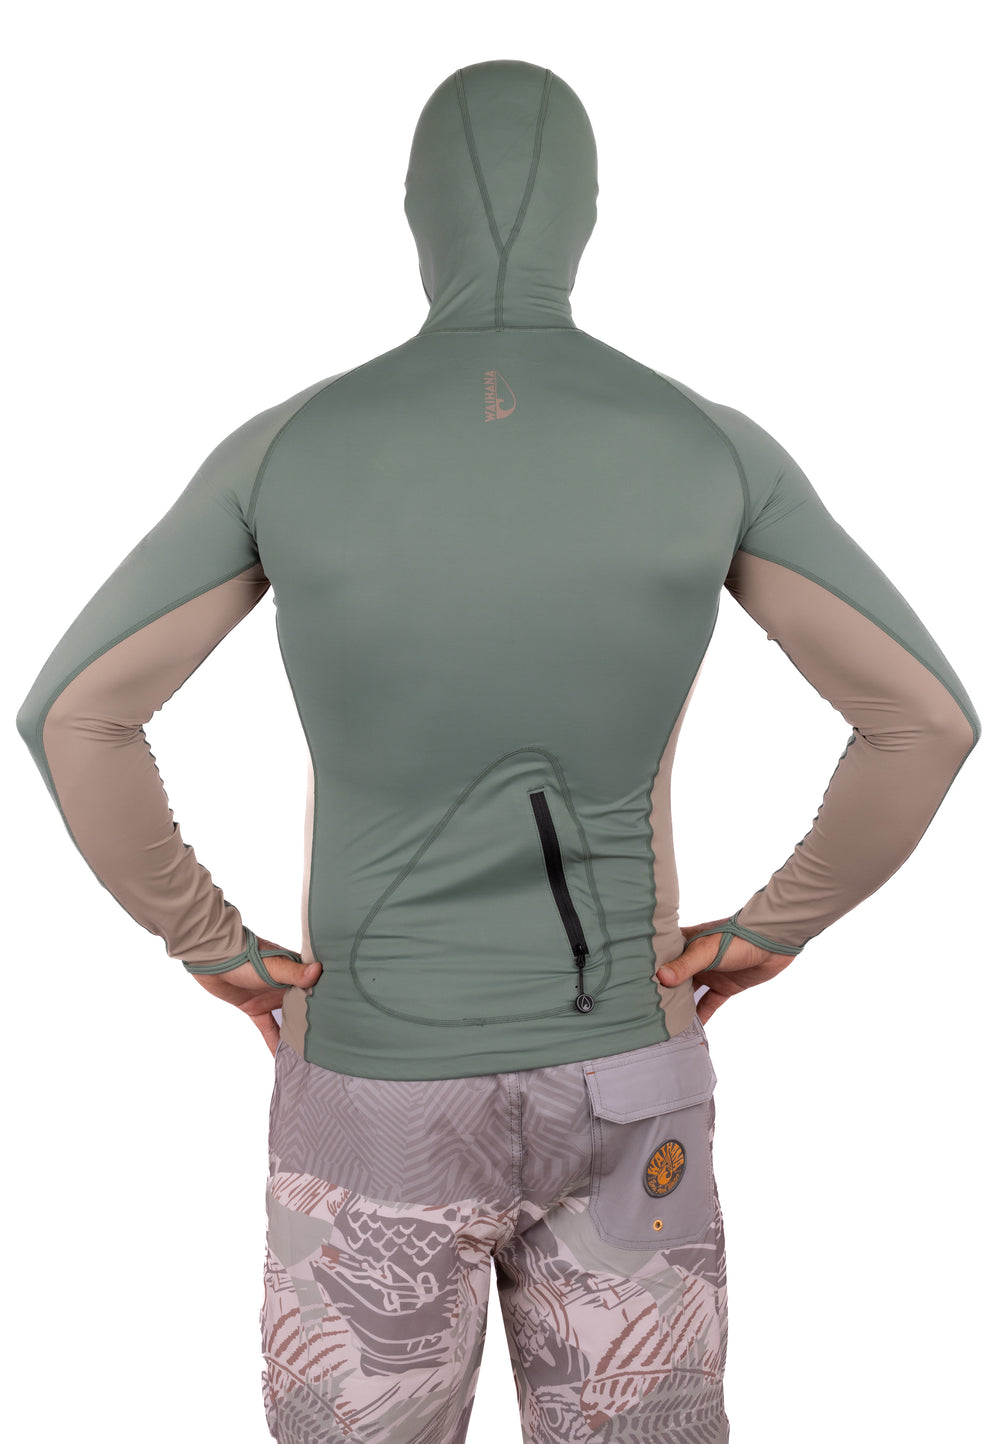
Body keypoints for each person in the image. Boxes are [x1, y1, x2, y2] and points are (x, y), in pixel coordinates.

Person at [15, 57, 980, 1444]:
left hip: (373, 1087)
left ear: (415, 216)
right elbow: (924, 720)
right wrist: (773, 930)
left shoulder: (288, 449)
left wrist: (210, 945)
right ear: (589, 215)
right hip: (631, 1072)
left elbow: (75, 714)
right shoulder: (710, 448)